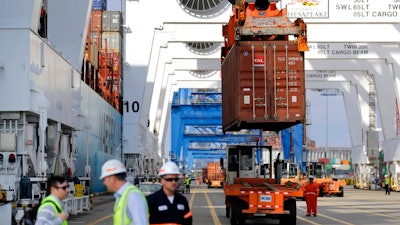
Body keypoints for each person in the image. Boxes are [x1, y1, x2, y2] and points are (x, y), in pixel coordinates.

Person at [100, 159, 149, 225]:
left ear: (112, 179)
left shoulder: (133, 196)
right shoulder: (122, 196)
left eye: (104, 179)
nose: (104, 183)